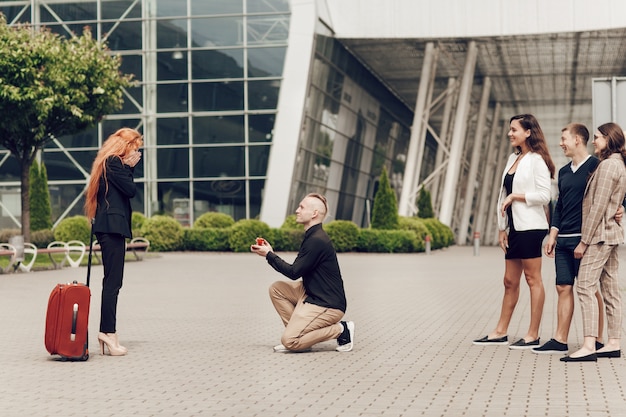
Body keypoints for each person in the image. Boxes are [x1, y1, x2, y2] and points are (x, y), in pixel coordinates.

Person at [473, 114, 555, 349]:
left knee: (532, 279)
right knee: (509, 281)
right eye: (510, 130)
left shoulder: (537, 160)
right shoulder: (513, 158)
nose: (510, 133)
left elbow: (544, 196)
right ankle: (500, 332)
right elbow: (502, 195)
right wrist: (501, 228)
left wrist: (515, 196)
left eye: (514, 129)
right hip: (514, 228)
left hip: (530, 228)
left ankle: (533, 334)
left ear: (528, 132)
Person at [534, 123, 611, 354]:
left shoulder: (597, 167)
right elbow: (559, 206)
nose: (561, 143)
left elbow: (612, 195)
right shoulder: (564, 171)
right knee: (562, 287)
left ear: (578, 139)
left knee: (590, 289)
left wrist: (618, 209)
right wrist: (552, 235)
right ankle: (560, 339)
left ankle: (597, 339)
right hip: (563, 240)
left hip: (586, 240)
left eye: (564, 138)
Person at [250, 193, 355, 353]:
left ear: (314, 214)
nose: (297, 210)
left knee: (289, 341)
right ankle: (303, 338)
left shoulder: (317, 240)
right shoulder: (312, 235)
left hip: (328, 303)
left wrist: (269, 255)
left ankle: (341, 330)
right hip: (310, 292)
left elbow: (294, 272)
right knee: (277, 289)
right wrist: (270, 252)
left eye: (302, 207)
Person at [561, 122, 626, 362]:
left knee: (585, 286)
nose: (594, 141)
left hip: (599, 236)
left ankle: (589, 344)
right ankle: (613, 343)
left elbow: (598, 206)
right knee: (610, 289)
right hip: (610, 235)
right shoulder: (617, 164)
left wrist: (584, 242)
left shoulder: (608, 165)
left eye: (598, 137)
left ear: (609, 140)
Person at [85, 127, 143, 356]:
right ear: (125, 146)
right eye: (134, 148)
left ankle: (107, 333)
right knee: (113, 282)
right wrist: (130, 168)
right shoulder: (114, 163)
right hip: (112, 228)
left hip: (110, 227)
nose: (136, 152)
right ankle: (108, 333)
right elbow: (130, 191)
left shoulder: (107, 163)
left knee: (112, 281)